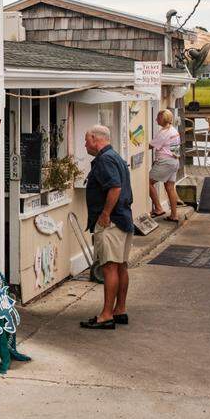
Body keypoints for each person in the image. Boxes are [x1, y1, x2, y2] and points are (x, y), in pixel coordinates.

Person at [80, 124, 135, 330]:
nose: (85, 144)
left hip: (112, 221)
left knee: (109, 266)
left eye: (86, 139)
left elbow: (114, 187)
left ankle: (106, 315)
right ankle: (120, 310)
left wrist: (105, 213)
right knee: (121, 265)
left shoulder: (104, 160)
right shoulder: (115, 157)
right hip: (124, 218)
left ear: (95, 138)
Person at [148, 110, 182, 222]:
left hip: (165, 162)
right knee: (170, 187)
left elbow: (150, 146)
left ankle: (158, 208)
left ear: (163, 119)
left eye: (158, 117)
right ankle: (174, 215)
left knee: (148, 183)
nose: (156, 119)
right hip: (175, 161)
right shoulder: (174, 131)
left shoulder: (164, 133)